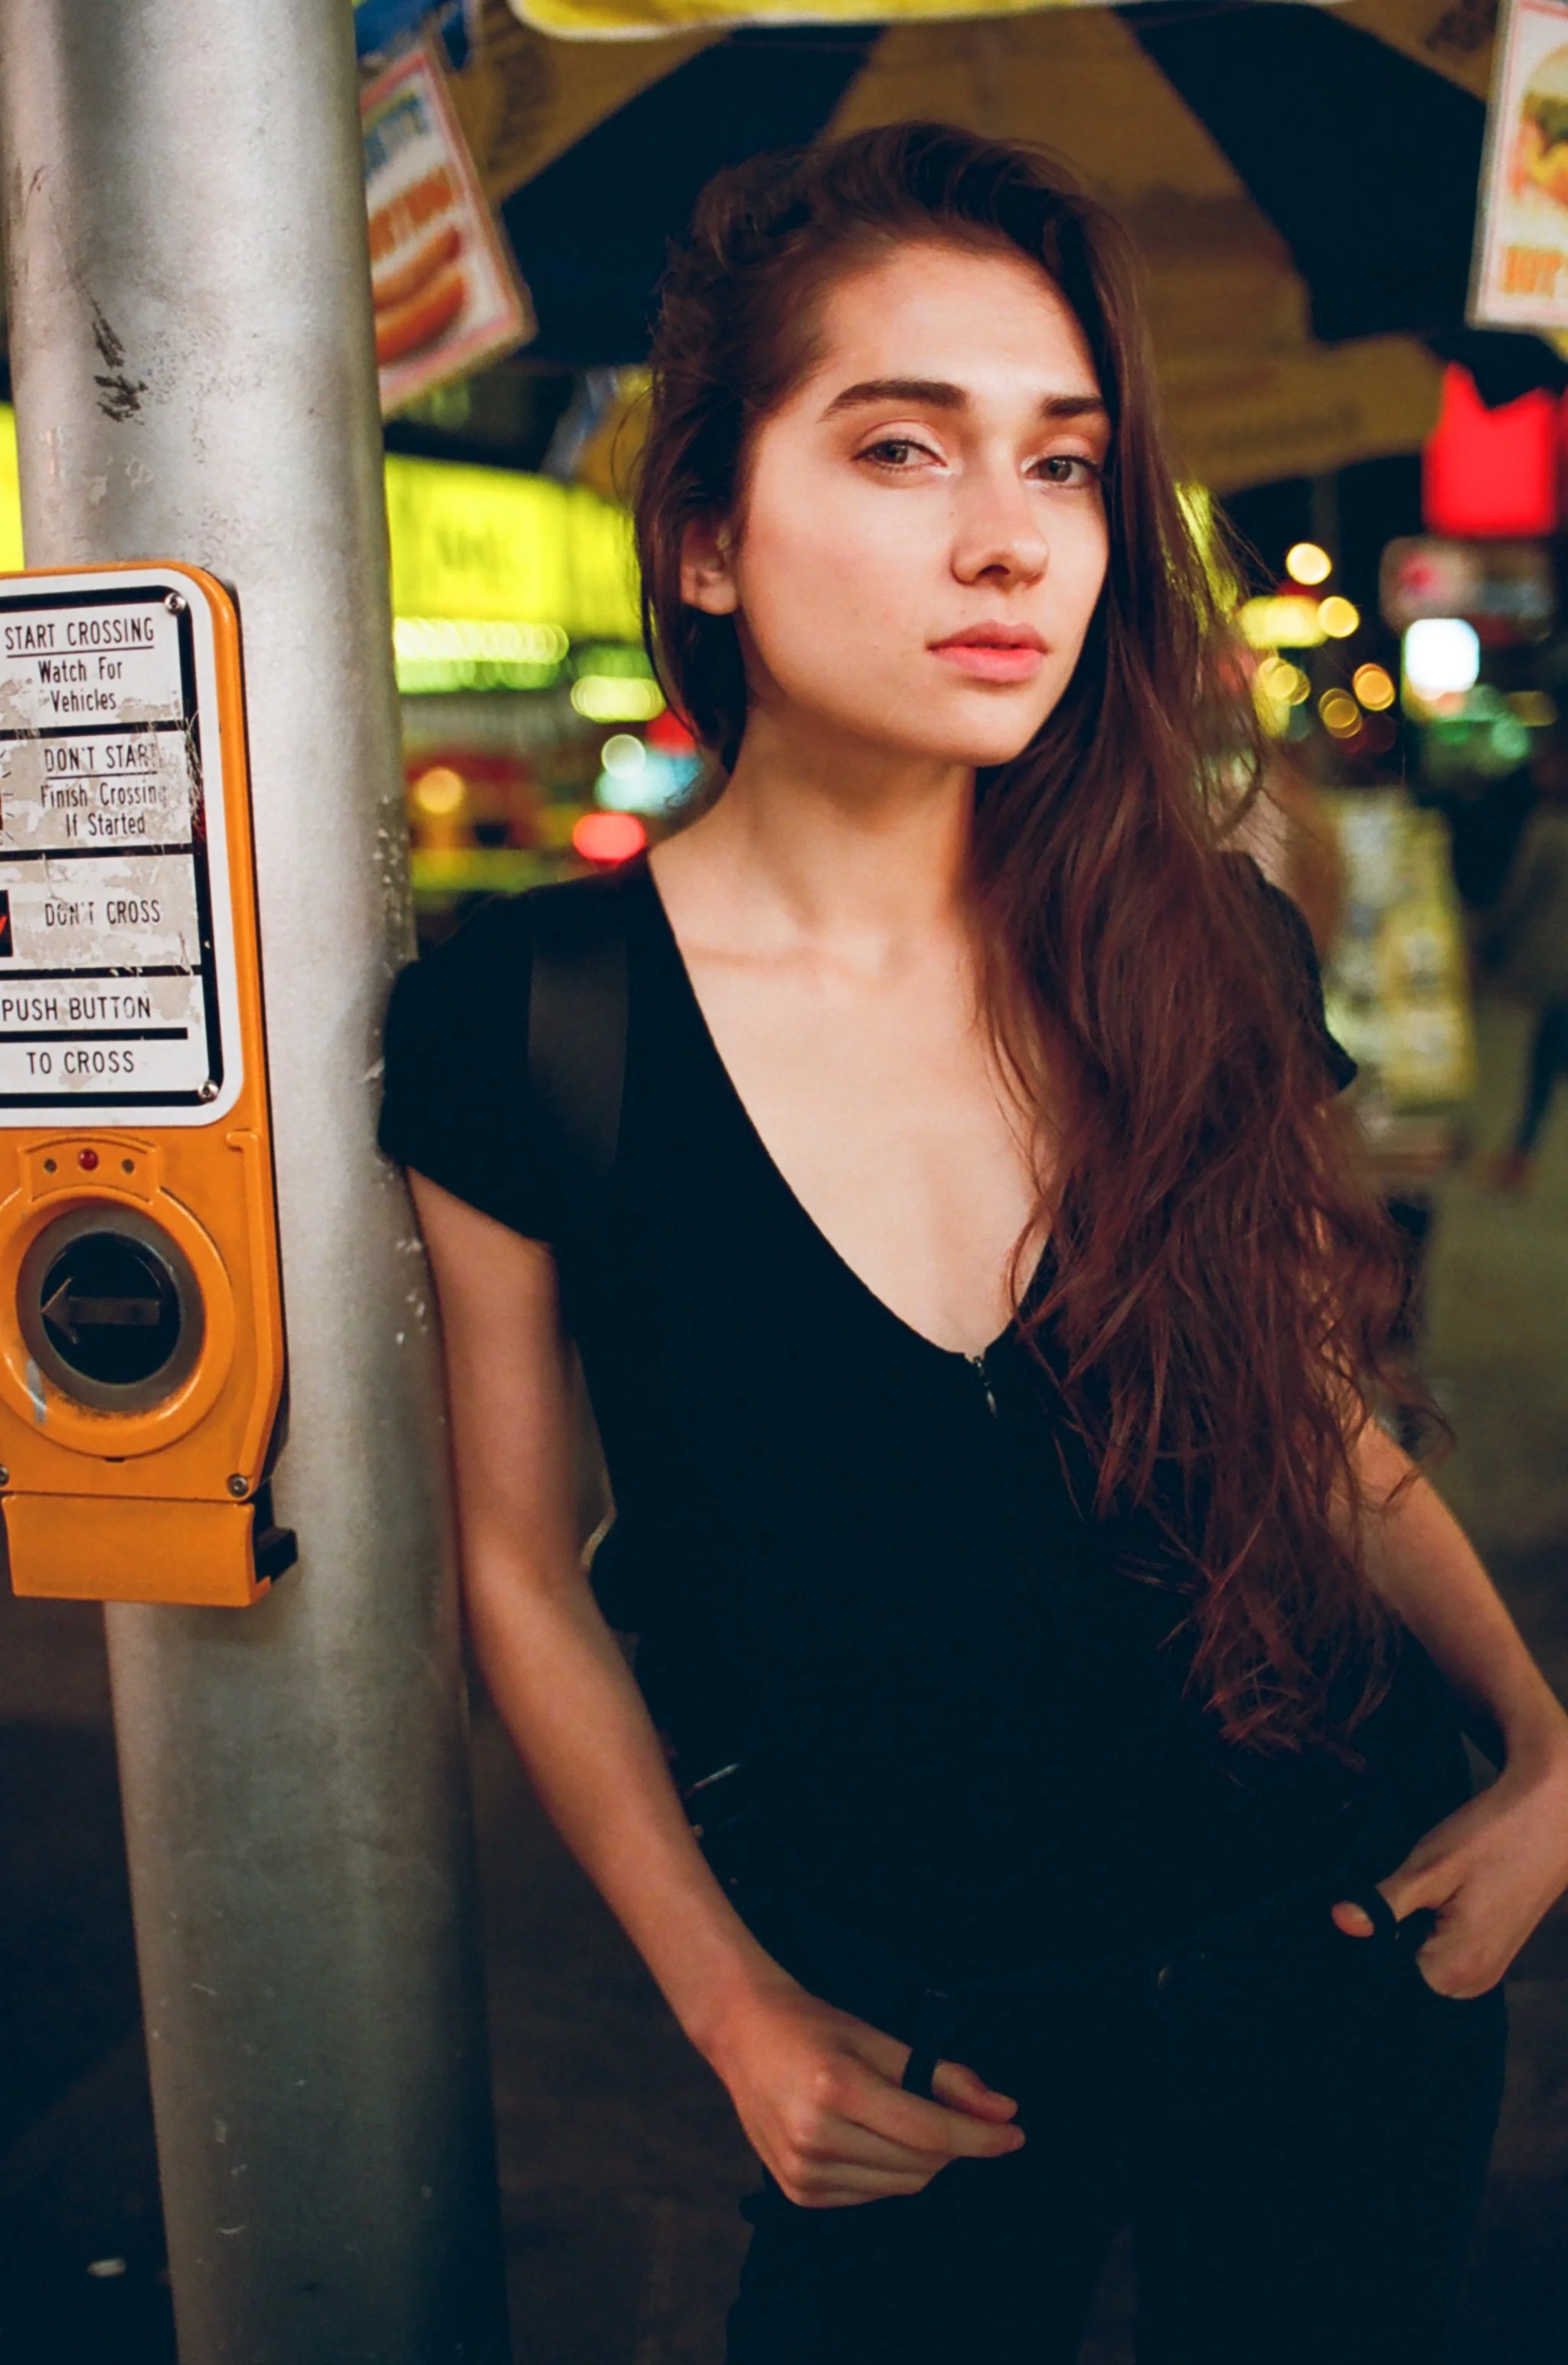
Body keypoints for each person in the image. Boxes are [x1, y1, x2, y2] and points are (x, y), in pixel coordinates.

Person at [379, 126, 1568, 2365]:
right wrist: (731, 2013)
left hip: (1335, 1940)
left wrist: (1541, 1754)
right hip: (904, 2031)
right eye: (901, 446)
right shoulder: (528, 1023)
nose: (1008, 538)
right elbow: (520, 1570)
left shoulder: (1193, 937)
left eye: (1067, 462)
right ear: (709, 534)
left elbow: (1313, 1411)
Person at [1479, 728, 1568, 1190]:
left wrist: (1492, 937)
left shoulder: (1548, 827)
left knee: (1544, 1063)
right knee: (1547, 1059)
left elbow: (1518, 896)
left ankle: (1519, 1158)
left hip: (1556, 970)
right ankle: (1519, 1155)